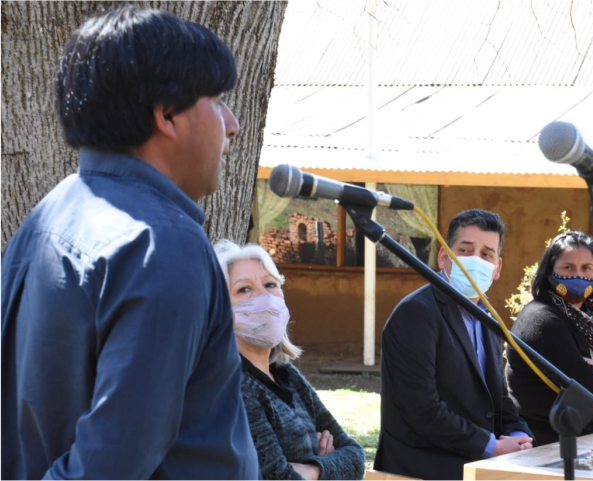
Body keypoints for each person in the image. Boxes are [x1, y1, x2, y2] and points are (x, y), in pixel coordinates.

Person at [1, 6, 259, 479]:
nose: (233, 123)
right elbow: (111, 464)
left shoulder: (51, 213)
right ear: (167, 114)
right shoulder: (160, 245)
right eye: (218, 99)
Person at [374, 209, 533, 480]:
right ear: (444, 257)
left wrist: (519, 436)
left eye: (486, 254)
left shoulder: (489, 319)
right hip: (422, 468)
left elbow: (498, 396)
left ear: (497, 268)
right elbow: (421, 408)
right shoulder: (416, 313)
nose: (475, 260)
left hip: (475, 465)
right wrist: (491, 446)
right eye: (465, 249)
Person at [213, 240, 366, 480]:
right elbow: (280, 477)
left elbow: (356, 456)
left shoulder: (287, 375)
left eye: (270, 284)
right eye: (244, 289)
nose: (264, 296)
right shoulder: (233, 383)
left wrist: (314, 469)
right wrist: (328, 465)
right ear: (220, 307)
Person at [505, 231, 593, 446]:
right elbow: (588, 387)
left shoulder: (591, 316)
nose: (578, 275)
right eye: (567, 267)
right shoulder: (541, 319)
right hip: (550, 446)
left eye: (587, 268)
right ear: (550, 271)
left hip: (590, 437)